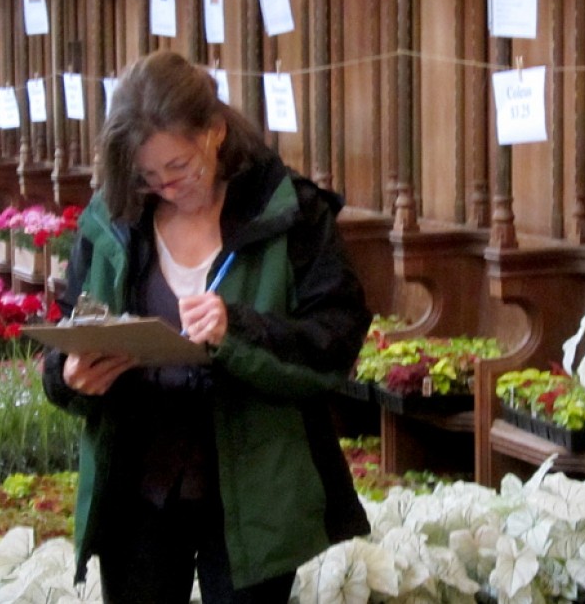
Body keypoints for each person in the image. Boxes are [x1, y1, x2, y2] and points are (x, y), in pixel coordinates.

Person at [40, 49, 371, 603]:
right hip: (137, 495)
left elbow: (334, 342)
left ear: (215, 132)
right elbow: (71, 321)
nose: (169, 187)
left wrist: (234, 330)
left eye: (180, 167)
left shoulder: (291, 212)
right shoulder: (113, 218)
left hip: (254, 496)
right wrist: (68, 375)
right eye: (149, 176)